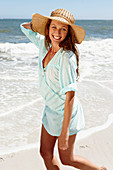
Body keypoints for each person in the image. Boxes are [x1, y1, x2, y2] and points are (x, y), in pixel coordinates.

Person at [20, 8, 107, 170]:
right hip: (51, 109)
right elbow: (23, 27)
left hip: (66, 113)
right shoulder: (44, 45)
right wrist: (39, 25)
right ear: (48, 28)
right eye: (54, 27)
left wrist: (64, 132)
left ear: (69, 32)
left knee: (67, 158)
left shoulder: (66, 58)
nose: (57, 33)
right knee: (45, 153)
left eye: (63, 29)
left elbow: (70, 95)